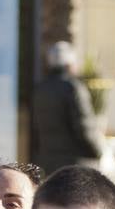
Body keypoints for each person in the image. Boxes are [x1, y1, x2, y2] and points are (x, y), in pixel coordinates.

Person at [31, 41, 109, 176]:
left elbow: (35, 129)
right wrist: (98, 152)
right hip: (75, 163)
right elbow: (84, 127)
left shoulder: (40, 88)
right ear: (70, 63)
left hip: (47, 162)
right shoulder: (73, 88)